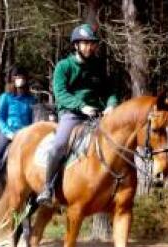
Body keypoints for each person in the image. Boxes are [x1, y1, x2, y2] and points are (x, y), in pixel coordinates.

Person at [36, 23, 118, 207]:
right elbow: (60, 94)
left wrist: (111, 104)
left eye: (92, 43)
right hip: (71, 115)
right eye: (85, 43)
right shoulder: (64, 66)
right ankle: (47, 188)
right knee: (59, 145)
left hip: (97, 115)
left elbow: (111, 90)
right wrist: (81, 106)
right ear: (76, 45)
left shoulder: (98, 67)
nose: (90, 47)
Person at [0, 67, 36, 197]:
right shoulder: (6, 97)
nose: (20, 80)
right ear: (12, 79)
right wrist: (8, 132)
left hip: (26, 135)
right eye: (17, 77)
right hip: (9, 133)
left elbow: (33, 119)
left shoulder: (31, 99)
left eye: (23, 77)